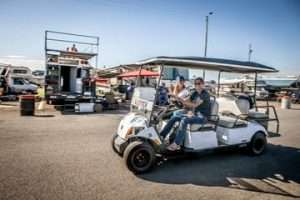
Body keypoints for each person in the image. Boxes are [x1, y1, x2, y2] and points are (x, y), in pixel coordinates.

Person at [160, 77, 211, 151]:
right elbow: (187, 100)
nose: (197, 85)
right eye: (195, 84)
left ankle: (177, 144)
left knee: (184, 120)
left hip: (203, 117)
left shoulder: (205, 94)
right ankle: (162, 136)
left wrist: (181, 100)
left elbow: (194, 105)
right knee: (175, 117)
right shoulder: (195, 93)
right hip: (194, 114)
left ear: (203, 84)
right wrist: (177, 98)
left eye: (199, 83)